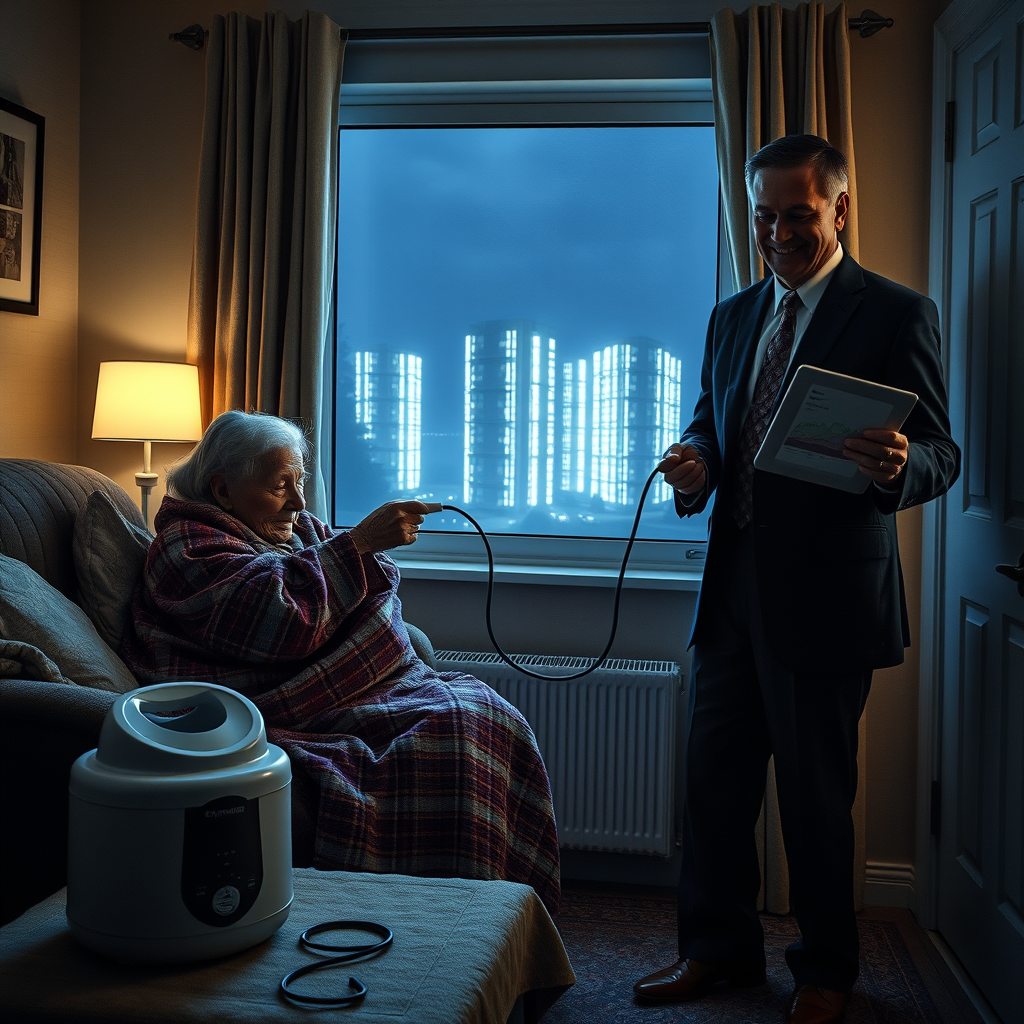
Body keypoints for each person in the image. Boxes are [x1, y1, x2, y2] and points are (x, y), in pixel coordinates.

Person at [632, 135, 959, 1024]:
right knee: (714, 787)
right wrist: (695, 462)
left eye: (798, 215)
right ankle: (717, 952)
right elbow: (710, 422)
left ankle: (826, 971)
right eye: (764, 215)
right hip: (731, 594)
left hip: (827, 599)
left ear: (840, 209)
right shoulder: (732, 316)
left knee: (817, 800)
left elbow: (941, 454)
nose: (778, 232)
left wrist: (899, 462)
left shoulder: (897, 313)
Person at [119, 409, 560, 913]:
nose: (299, 500)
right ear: (222, 490)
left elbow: (355, 574)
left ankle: (497, 915)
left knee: (489, 713)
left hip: (363, 689)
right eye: (280, 485)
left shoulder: (292, 525)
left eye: (300, 480)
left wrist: (362, 551)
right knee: (455, 729)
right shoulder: (187, 547)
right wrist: (362, 543)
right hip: (283, 705)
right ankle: (444, 911)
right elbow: (281, 618)